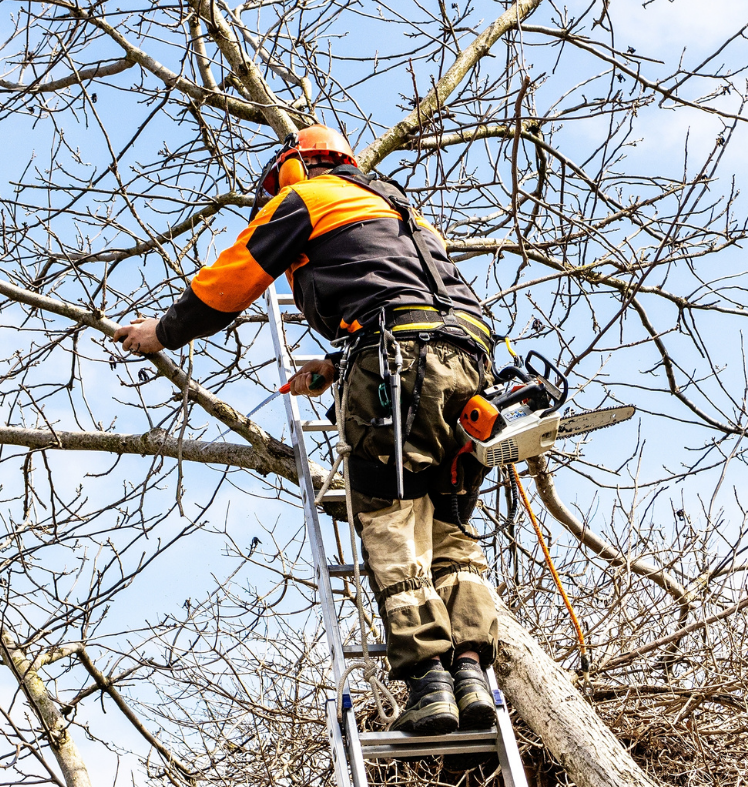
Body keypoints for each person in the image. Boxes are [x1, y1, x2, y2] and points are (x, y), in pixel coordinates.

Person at [114, 126, 501, 735]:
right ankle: (473, 671)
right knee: (448, 522)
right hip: (471, 366)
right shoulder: (401, 211)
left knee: (389, 512)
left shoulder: (306, 198)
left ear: (292, 169)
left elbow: (230, 283)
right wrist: (335, 365)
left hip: (397, 362)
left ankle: (430, 682)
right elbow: (405, 304)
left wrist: (161, 332)